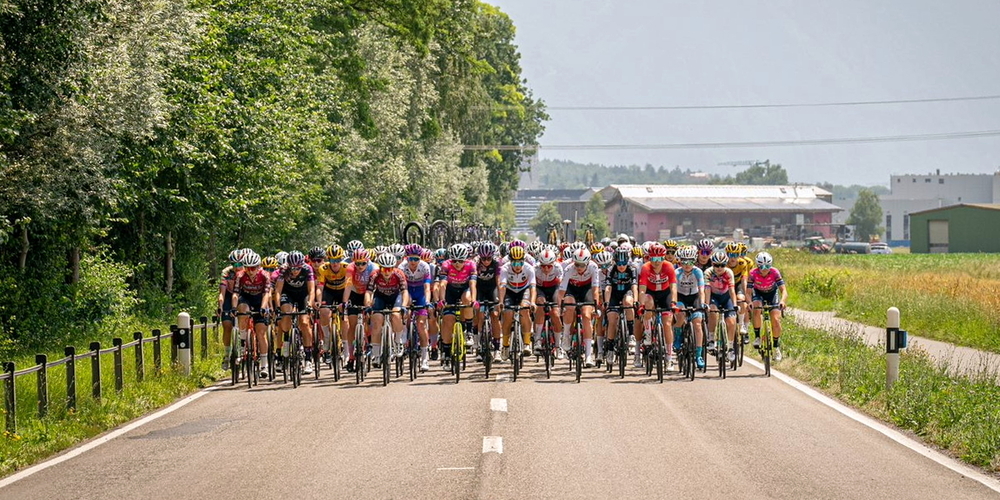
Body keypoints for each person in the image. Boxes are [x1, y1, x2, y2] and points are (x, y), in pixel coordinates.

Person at [556, 248, 602, 368]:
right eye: (577, 264)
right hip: (572, 289)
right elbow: (561, 292)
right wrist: (560, 307)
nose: (579, 267)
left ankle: (588, 355)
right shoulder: (569, 269)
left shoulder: (593, 267)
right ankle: (566, 334)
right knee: (569, 306)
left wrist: (596, 306)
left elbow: (595, 290)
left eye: (582, 265)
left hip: (586, 290)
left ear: (587, 263)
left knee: (586, 315)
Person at [274, 251, 317, 376]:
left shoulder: (307, 269)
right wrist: (278, 307)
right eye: (292, 268)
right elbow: (278, 290)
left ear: (301, 265)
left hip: (303, 294)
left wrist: (309, 305)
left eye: (297, 268)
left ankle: (308, 358)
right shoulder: (284, 270)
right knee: (285, 317)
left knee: (304, 322)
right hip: (288, 294)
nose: (294, 271)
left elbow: (311, 290)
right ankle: (286, 346)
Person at [365, 252, 410, 369]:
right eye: (384, 269)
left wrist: (404, 306)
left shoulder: (399, 274)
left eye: (389, 269)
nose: (386, 272)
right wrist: (368, 305)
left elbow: (404, 292)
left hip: (396, 297)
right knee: (376, 320)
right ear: (380, 268)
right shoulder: (375, 274)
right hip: (380, 297)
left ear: (393, 268)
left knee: (396, 315)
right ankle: (376, 354)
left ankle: (398, 341)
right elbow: (368, 292)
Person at [231, 251, 272, 377]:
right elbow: (236, 293)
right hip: (246, 298)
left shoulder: (265, 275)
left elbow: (266, 293)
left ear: (258, 267)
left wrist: (263, 308)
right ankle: (243, 341)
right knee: (242, 310)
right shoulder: (240, 275)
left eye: (253, 268)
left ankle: (264, 364)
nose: (250, 271)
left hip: (260, 299)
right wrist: (234, 308)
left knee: (261, 333)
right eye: (247, 268)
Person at [637, 243, 677, 369]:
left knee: (667, 324)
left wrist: (674, 302)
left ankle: (669, 358)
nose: (656, 262)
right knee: (648, 303)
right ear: (649, 258)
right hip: (651, 293)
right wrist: (641, 305)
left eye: (660, 258)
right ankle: (648, 333)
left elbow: (673, 287)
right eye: (653, 258)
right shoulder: (645, 267)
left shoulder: (668, 266)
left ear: (663, 257)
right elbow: (642, 290)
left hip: (665, 294)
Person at [437, 244, 478, 364]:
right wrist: (441, 300)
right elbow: (443, 284)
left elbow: (472, 284)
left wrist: (474, 300)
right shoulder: (446, 265)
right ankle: (446, 351)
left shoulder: (471, 265)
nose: (457, 264)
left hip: (464, 289)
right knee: (448, 320)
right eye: (454, 261)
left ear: (465, 260)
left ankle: (469, 332)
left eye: (460, 261)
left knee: (467, 299)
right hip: (450, 291)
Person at [497, 246, 536, 360]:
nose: (517, 266)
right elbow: (502, 287)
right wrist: (501, 301)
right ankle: (505, 345)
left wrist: (532, 302)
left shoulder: (529, 268)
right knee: (508, 314)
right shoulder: (505, 268)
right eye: (514, 263)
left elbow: (533, 288)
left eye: (520, 263)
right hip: (509, 292)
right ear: (510, 262)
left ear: (524, 261)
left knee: (524, 310)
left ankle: (527, 343)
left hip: (524, 291)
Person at [749, 251, 788, 361]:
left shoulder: (775, 272)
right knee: (756, 308)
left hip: (772, 294)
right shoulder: (753, 273)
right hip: (758, 293)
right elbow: (748, 292)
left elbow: (784, 290)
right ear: (758, 266)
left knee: (776, 319)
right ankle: (757, 337)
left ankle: (776, 347)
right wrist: (749, 302)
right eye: (762, 266)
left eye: (767, 266)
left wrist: (783, 301)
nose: (765, 269)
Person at [342, 248, 376, 373]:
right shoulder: (350, 268)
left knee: (370, 317)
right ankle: (351, 356)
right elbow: (348, 286)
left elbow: (374, 287)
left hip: (369, 292)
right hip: (355, 294)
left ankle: (369, 340)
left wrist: (370, 304)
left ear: (368, 261)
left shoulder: (374, 268)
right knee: (352, 324)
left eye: (363, 263)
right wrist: (345, 303)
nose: (360, 266)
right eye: (357, 263)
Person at [603, 245, 638, 365]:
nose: (622, 266)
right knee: (612, 319)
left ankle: (631, 334)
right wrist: (607, 303)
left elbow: (634, 286)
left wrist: (636, 301)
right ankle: (610, 349)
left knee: (628, 302)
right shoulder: (611, 269)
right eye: (619, 263)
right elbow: (608, 288)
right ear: (615, 262)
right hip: (614, 295)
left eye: (624, 263)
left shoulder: (632, 269)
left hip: (626, 293)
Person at [400, 244, 433, 372]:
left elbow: (427, 287)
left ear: (420, 258)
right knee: (406, 310)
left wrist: (428, 302)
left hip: (421, 294)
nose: (413, 262)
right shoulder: (402, 267)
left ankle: (425, 358)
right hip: (408, 292)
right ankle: (404, 331)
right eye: (410, 259)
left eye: (416, 259)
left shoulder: (425, 267)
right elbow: (402, 289)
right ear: (406, 258)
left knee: (421, 325)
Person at [673, 246, 706, 369]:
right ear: (680, 261)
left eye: (690, 262)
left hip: (694, 298)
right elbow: (673, 289)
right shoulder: (677, 272)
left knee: (697, 324)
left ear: (694, 261)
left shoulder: (698, 272)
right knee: (680, 316)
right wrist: (674, 303)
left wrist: (702, 303)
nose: (687, 265)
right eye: (684, 262)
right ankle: (678, 336)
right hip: (680, 297)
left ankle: (698, 355)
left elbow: (702, 289)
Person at [704, 250, 738, 364]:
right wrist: (707, 305)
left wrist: (735, 305)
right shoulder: (708, 272)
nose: (719, 268)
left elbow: (732, 290)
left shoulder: (728, 272)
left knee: (731, 322)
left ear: (726, 264)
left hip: (726, 297)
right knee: (713, 311)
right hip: (714, 297)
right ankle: (711, 338)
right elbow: (707, 290)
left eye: (722, 265)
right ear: (712, 264)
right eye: (716, 265)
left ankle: (731, 347)